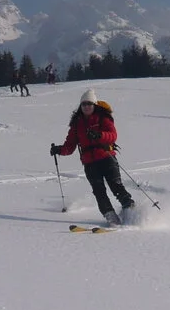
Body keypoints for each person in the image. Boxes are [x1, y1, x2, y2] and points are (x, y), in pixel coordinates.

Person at [50, 89, 134, 224]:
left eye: (89, 104)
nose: (86, 107)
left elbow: (113, 135)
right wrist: (59, 150)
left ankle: (131, 211)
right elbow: (70, 146)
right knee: (98, 191)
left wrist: (99, 135)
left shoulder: (103, 118)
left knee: (116, 186)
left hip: (107, 157)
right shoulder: (77, 124)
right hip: (90, 163)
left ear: (94, 105)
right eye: (84, 104)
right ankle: (111, 218)